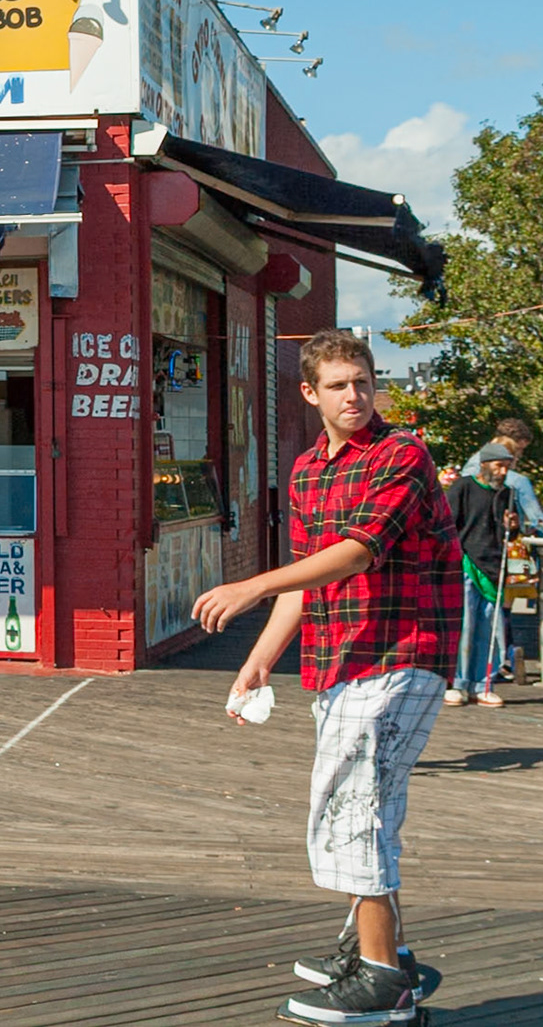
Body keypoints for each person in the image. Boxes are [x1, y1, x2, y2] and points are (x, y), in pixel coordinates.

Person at [193, 329, 459, 1026]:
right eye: (339, 385)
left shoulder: (401, 454)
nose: (355, 395)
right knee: (360, 807)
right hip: (338, 662)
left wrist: (248, 585)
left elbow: (355, 553)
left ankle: (379, 976)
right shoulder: (310, 469)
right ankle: (388, 959)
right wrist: (258, 660)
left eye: (364, 381)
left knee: (354, 809)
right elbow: (306, 582)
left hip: (404, 653)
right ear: (310, 393)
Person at [443, 445, 516, 708]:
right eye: (498, 465)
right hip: (466, 563)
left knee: (489, 627)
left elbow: (508, 532)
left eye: (507, 466)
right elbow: (449, 523)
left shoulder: (507, 494)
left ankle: (483, 683)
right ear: (485, 464)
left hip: (493, 566)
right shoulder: (463, 487)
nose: (503, 471)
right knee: (465, 625)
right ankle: (456, 682)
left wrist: (513, 526)